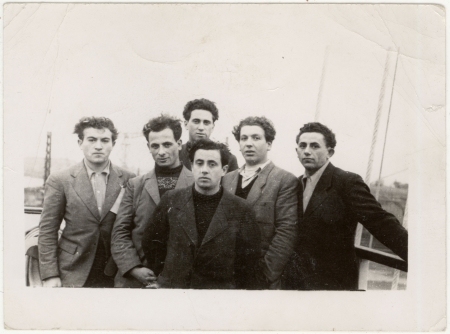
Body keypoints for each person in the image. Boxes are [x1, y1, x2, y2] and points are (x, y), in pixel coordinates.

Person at [283, 122, 408, 290]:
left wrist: (419, 257)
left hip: (333, 284)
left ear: (330, 152)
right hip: (296, 283)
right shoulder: (295, 185)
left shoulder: (346, 182)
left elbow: (379, 221)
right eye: (302, 146)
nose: (307, 151)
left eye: (315, 146)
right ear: (296, 151)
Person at [142, 139, 262, 289]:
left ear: (224, 170)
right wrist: (166, 276)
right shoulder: (171, 199)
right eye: (199, 163)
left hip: (218, 295)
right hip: (175, 291)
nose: (204, 169)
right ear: (192, 166)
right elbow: (152, 242)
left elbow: (249, 260)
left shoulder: (241, 208)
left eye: (212, 164)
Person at [38, 117, 135, 287]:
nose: (98, 146)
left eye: (105, 140)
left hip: (115, 270)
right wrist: (50, 275)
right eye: (91, 140)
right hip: (72, 270)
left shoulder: (129, 179)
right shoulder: (60, 180)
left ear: (113, 144)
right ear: (80, 143)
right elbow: (47, 230)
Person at [111, 115, 194, 288]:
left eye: (167, 144)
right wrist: (133, 268)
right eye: (155, 146)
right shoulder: (136, 185)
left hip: (180, 281)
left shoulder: (196, 184)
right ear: (148, 147)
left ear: (179, 145)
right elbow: (120, 232)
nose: (161, 152)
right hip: (135, 280)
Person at [222, 116, 298, 289]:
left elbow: (286, 231)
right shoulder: (227, 179)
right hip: (226, 275)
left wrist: (266, 274)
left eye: (256, 138)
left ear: (269, 144)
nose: (249, 143)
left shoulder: (284, 180)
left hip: (260, 277)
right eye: (244, 138)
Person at [179, 98, 239, 172]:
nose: (201, 128)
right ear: (186, 124)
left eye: (206, 122)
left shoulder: (229, 159)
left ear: (212, 127)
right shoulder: (176, 154)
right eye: (196, 121)